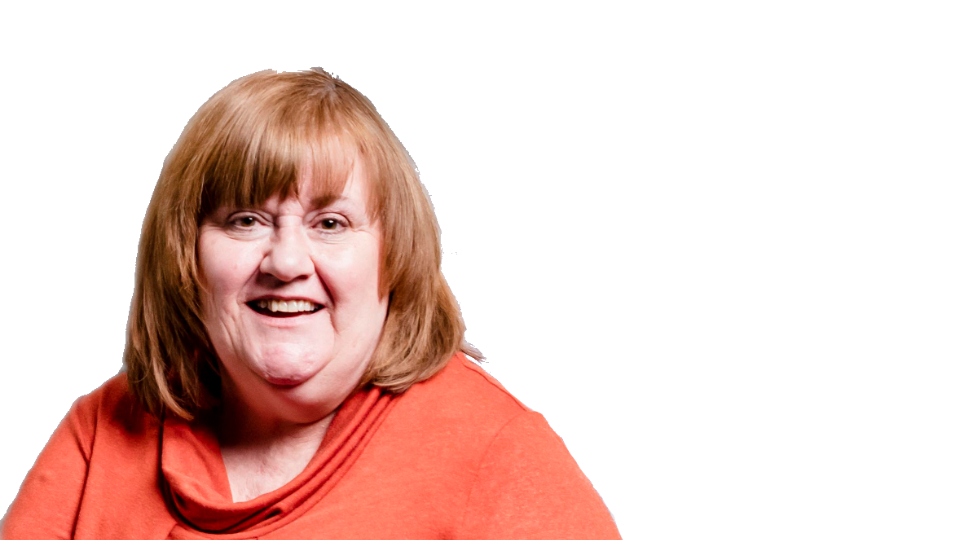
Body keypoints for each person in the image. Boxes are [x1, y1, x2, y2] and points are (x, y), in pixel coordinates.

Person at [1, 69, 621, 539]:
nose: (286, 262)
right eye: (245, 220)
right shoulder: (104, 430)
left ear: (393, 254)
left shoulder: (499, 454)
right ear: (184, 254)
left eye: (330, 223)